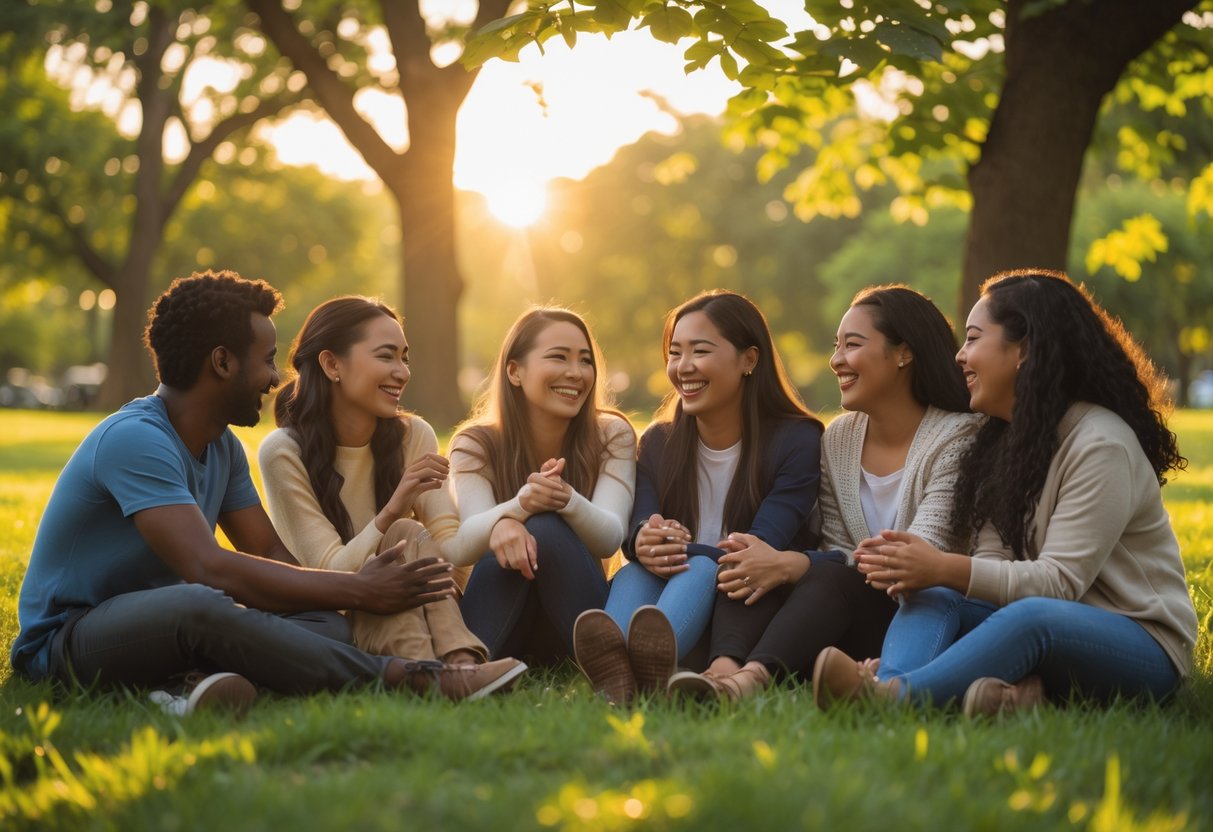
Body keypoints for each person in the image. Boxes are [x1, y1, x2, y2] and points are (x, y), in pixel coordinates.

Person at [10, 271, 522, 715]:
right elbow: (207, 567)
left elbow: (270, 554)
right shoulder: (135, 440)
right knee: (199, 604)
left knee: (327, 623)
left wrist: (347, 600)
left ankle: (183, 688)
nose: (276, 378)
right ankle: (413, 677)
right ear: (222, 362)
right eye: (268, 359)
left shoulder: (221, 447)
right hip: (70, 637)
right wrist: (361, 590)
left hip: (171, 622)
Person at [813, 270, 1199, 716]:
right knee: (935, 594)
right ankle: (936, 684)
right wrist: (939, 575)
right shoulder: (1005, 441)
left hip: (1141, 645)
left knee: (1027, 614)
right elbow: (994, 564)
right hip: (1047, 626)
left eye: (974, 338)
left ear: (1025, 350)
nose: (960, 355)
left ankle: (892, 698)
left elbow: (1058, 584)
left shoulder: (1100, 443)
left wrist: (943, 564)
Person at [667, 286, 979, 701]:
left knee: (811, 572)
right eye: (836, 346)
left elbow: (913, 559)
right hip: (848, 616)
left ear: (903, 353)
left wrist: (795, 564)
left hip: (927, 616)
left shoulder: (958, 437)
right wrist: (787, 564)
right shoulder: (840, 439)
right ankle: (724, 668)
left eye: (852, 345)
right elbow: (834, 546)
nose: (836, 361)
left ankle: (746, 681)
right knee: (756, 561)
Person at [575, 290, 823, 705]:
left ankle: (636, 666)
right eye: (674, 353)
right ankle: (619, 674)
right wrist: (644, 540)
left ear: (749, 360)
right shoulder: (658, 442)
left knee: (702, 565)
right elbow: (639, 524)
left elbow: (755, 548)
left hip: (746, 610)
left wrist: (679, 550)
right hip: (668, 608)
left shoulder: (796, 440)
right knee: (637, 572)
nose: (682, 367)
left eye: (700, 351)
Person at [259, 296, 500, 669]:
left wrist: (514, 512)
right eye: (386, 356)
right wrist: (393, 509)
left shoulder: (413, 435)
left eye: (405, 357)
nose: (402, 372)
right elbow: (332, 574)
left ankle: (454, 662)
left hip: (422, 606)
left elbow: (451, 548)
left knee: (406, 533)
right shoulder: (283, 452)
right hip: (335, 620)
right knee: (400, 528)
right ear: (331, 364)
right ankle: (451, 668)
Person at [448, 308, 636, 664]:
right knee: (509, 529)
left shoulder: (612, 434)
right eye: (558, 358)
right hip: (505, 613)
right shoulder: (475, 443)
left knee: (545, 527)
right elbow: (464, 544)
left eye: (585, 361)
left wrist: (565, 500)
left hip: (578, 613)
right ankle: (467, 669)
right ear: (515, 372)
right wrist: (513, 513)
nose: (576, 373)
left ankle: (609, 662)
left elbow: (611, 536)